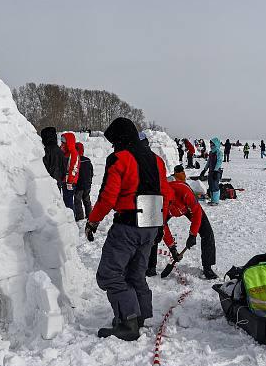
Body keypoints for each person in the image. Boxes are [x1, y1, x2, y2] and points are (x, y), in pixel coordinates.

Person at [85, 117, 172, 341]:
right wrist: (160, 224)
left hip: (128, 225)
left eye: (114, 142)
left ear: (120, 139)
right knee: (135, 273)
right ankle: (140, 316)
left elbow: (107, 197)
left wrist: (93, 221)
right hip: (151, 224)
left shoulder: (119, 158)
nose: (113, 147)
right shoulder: (156, 160)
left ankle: (127, 323)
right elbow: (166, 194)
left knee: (109, 274)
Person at [148, 165, 218, 280]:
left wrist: (192, 234)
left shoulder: (184, 191)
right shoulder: (158, 204)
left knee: (207, 232)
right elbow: (162, 226)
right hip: (170, 210)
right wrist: (172, 249)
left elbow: (196, 213)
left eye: (168, 203)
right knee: (154, 230)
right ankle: (150, 266)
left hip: (187, 207)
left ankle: (208, 267)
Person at [40, 127, 66, 191]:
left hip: (49, 182)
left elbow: (43, 167)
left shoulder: (45, 151)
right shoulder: (60, 150)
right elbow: (64, 166)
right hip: (58, 180)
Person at [59, 132, 80, 211]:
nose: (62, 143)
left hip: (70, 182)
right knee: (65, 201)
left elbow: (74, 168)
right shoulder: (64, 151)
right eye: (62, 141)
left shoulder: (73, 153)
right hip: (64, 180)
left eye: (64, 141)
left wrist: (70, 182)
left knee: (68, 203)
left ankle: (71, 219)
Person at [200, 137, 224, 204]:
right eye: (210, 145)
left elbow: (219, 162)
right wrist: (204, 170)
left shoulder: (219, 152)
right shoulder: (211, 153)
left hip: (217, 171)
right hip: (210, 171)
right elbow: (209, 162)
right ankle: (212, 200)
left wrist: (215, 171)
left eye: (212, 145)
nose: (211, 146)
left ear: (216, 144)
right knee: (210, 185)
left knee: (215, 185)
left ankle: (216, 201)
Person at [73, 142, 93, 222]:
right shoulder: (87, 160)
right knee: (87, 200)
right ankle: (90, 215)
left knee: (77, 201)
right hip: (87, 185)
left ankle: (80, 217)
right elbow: (91, 172)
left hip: (79, 186)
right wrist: (89, 181)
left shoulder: (75, 160)